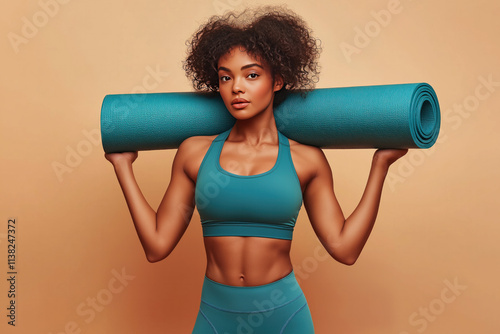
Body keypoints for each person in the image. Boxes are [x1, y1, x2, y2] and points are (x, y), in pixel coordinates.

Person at [105, 5, 408, 333]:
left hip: (284, 316)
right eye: (225, 77)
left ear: (277, 80)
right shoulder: (195, 152)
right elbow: (156, 246)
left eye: (251, 75)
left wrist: (380, 165)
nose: (236, 87)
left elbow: (345, 249)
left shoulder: (305, 159)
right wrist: (123, 168)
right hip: (215, 315)